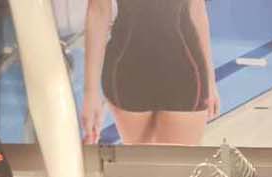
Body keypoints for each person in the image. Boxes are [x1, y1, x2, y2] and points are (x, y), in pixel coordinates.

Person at [82, 0, 220, 145]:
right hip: (128, 71)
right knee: (142, 163)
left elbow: (196, 9)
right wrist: (90, 93)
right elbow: (98, 11)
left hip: (185, 72)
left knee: (175, 164)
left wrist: (210, 80)